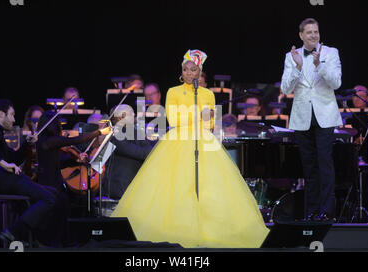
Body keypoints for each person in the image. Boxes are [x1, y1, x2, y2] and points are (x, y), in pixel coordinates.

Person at [111, 49, 269, 248]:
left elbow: (209, 124)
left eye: (193, 70)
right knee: (175, 185)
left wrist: (205, 118)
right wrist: (199, 116)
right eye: (185, 69)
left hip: (202, 140)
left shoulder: (208, 94)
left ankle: (211, 229)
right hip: (179, 140)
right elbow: (174, 119)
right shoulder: (173, 92)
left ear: (199, 72)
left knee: (209, 185)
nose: (188, 73)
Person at [280, 18, 342, 221]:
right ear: (301, 35)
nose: (313, 35)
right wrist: (298, 67)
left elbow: (336, 83)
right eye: (309, 32)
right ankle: (312, 211)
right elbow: (285, 89)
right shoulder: (292, 56)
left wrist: (319, 65)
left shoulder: (330, 53)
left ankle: (326, 211)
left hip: (325, 115)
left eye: (316, 32)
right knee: (309, 165)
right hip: (302, 116)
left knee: (325, 162)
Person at [0, 99, 58, 246]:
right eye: (12, 115)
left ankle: (30, 238)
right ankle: (14, 232)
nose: (14, 119)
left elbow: (12, 158)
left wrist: (27, 144)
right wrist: (3, 163)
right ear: (1, 114)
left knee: (54, 194)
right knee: (49, 198)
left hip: (3, 180)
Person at [34, 110, 110, 246]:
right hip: (49, 183)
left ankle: (62, 241)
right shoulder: (47, 140)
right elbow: (75, 140)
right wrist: (99, 132)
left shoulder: (48, 142)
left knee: (63, 209)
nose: (60, 127)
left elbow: (60, 163)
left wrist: (77, 161)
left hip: (54, 182)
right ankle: (55, 241)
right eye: (58, 124)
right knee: (59, 210)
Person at [102, 105, 157, 200]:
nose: (134, 114)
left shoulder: (133, 132)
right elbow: (140, 152)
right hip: (121, 188)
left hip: (135, 185)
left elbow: (147, 145)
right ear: (121, 117)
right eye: (131, 112)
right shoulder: (115, 135)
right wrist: (158, 147)